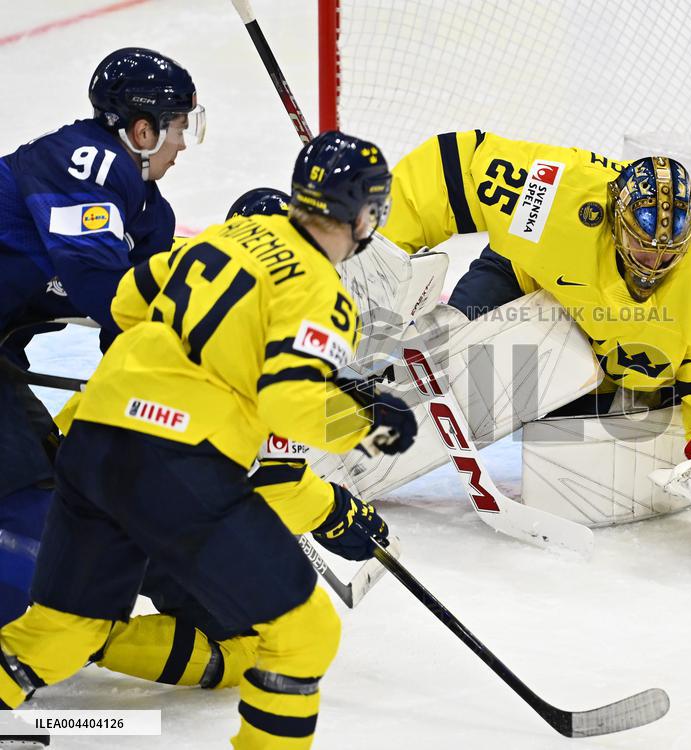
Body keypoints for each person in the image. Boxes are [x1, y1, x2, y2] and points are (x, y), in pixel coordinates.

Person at [0, 132, 418, 750]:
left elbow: (126, 299)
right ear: (364, 216)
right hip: (170, 461)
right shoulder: (321, 291)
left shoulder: (222, 238)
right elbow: (290, 403)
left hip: (92, 444)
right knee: (303, 635)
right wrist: (375, 427)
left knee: (64, 629)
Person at [379, 131, 691, 534]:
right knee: (453, 356)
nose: (652, 265)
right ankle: (366, 395)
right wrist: (374, 252)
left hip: (616, 360)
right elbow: (451, 168)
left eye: (668, 254)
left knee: (567, 433)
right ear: (613, 219)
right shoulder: (559, 194)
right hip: (525, 279)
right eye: (641, 248)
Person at [0, 47, 205, 628]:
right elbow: (107, 292)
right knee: (31, 513)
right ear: (142, 129)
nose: (183, 145)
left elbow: (135, 331)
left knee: (49, 486)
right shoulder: (84, 162)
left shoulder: (146, 212)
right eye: (177, 127)